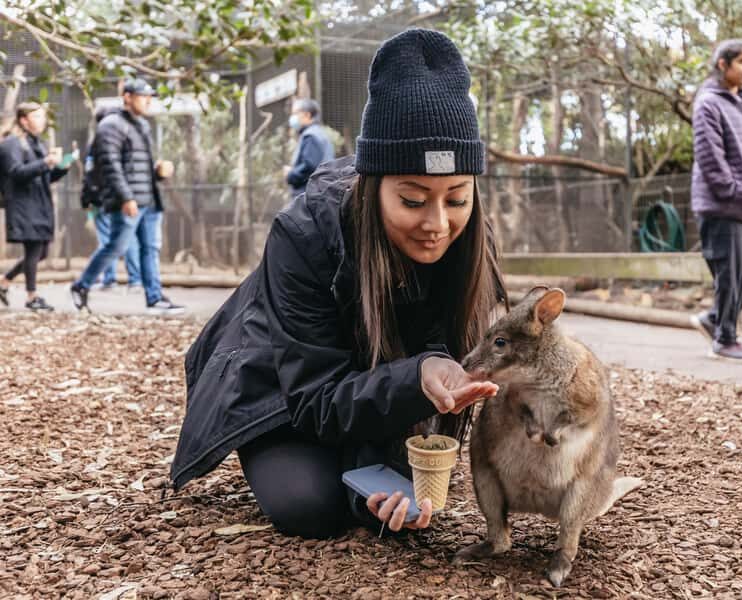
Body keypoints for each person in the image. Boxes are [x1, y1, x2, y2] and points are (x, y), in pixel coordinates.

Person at [171, 29, 504, 539]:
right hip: (283, 388)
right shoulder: (301, 234)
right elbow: (313, 397)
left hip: (377, 381)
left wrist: (433, 375)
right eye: (413, 201)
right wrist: (416, 378)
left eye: (456, 199)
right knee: (309, 506)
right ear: (374, 187)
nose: (437, 223)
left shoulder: (469, 236)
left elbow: (436, 351)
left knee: (379, 505)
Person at [69, 78, 183, 315]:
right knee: (115, 246)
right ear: (127, 97)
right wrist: (126, 198)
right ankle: (81, 286)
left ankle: (154, 297)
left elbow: (138, 166)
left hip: (149, 200)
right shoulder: (111, 125)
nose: (148, 100)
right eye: (143, 95)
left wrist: (158, 172)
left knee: (150, 248)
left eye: (150, 96)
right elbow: (111, 166)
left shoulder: (142, 125)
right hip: (128, 202)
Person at [689, 39, 742, 363]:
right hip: (722, 205)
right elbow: (710, 157)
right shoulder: (708, 103)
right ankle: (724, 340)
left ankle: (714, 319)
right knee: (731, 272)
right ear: (723, 65)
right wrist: (734, 191)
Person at [0, 102, 71, 311]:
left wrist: (60, 168)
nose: (43, 121)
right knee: (33, 250)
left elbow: (44, 177)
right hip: (23, 205)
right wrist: (46, 162)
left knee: (41, 253)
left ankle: (4, 281)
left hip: (39, 203)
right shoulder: (12, 144)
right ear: (24, 120)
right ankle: (32, 297)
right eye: (38, 116)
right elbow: (16, 172)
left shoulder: (37, 143)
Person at [81, 106, 142, 293]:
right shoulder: (126, 137)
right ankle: (133, 279)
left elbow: (90, 174)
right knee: (125, 238)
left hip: (106, 199)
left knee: (110, 241)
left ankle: (112, 279)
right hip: (123, 197)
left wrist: (87, 197)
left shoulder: (97, 143)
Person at [284, 98, 335, 196]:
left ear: (307, 115)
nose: (292, 117)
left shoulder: (311, 136)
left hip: (309, 196)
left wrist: (291, 174)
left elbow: (309, 167)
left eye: (295, 113)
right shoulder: (318, 133)